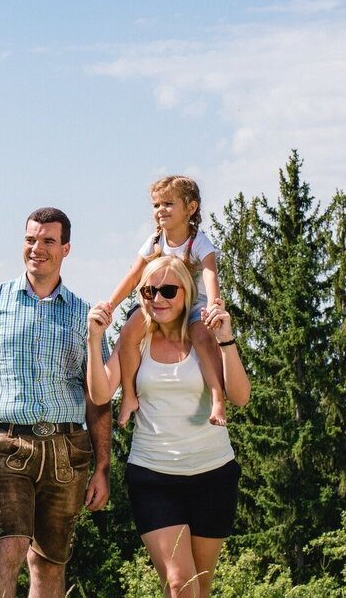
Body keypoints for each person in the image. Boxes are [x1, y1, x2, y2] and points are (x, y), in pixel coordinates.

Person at [0, 207, 112, 598]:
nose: (37, 248)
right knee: (8, 549)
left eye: (48, 241)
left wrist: (103, 466)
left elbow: (98, 397)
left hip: (67, 450)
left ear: (65, 249)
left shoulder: (84, 315)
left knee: (50, 563)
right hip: (5, 444)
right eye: (30, 239)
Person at [86, 256, 250, 598]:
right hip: (154, 477)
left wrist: (226, 339)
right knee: (180, 584)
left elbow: (240, 396)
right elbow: (100, 393)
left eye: (168, 291)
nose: (157, 298)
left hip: (214, 475)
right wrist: (94, 339)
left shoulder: (205, 338)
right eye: (149, 291)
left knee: (200, 587)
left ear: (187, 293)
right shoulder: (136, 341)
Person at [106, 176, 226, 427]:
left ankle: (217, 399)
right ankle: (129, 395)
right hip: (159, 300)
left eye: (168, 204)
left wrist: (213, 305)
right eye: (156, 205)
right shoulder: (155, 241)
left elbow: (210, 273)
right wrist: (111, 305)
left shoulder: (198, 242)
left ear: (190, 208)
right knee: (128, 334)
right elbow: (134, 276)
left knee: (203, 338)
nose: (161, 210)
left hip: (193, 302)